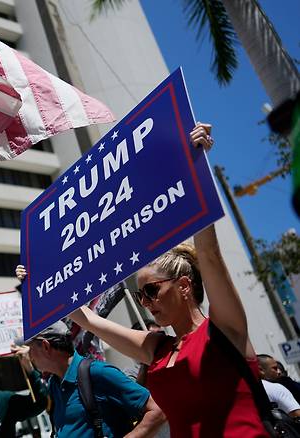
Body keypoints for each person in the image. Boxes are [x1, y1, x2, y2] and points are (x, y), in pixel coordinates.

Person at [18, 124, 269, 436]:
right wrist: (36, 281)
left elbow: (210, 256)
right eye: (141, 297)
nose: (147, 303)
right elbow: (86, 319)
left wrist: (197, 166)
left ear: (184, 286)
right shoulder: (157, 348)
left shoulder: (224, 330)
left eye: (151, 291)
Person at [24, 321, 165, 437]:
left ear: (46, 346)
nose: (29, 356)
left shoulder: (98, 373)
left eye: (30, 349)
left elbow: (157, 412)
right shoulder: (54, 384)